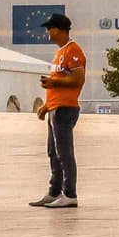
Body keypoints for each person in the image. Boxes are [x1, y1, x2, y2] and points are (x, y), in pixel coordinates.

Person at [32, 14, 85, 208]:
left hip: (65, 108)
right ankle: (54, 191)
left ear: (57, 30)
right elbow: (59, 82)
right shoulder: (60, 52)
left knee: (64, 153)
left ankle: (70, 194)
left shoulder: (73, 50)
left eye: (49, 28)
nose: (47, 32)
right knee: (53, 152)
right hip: (55, 107)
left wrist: (53, 82)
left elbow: (78, 79)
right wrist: (46, 106)